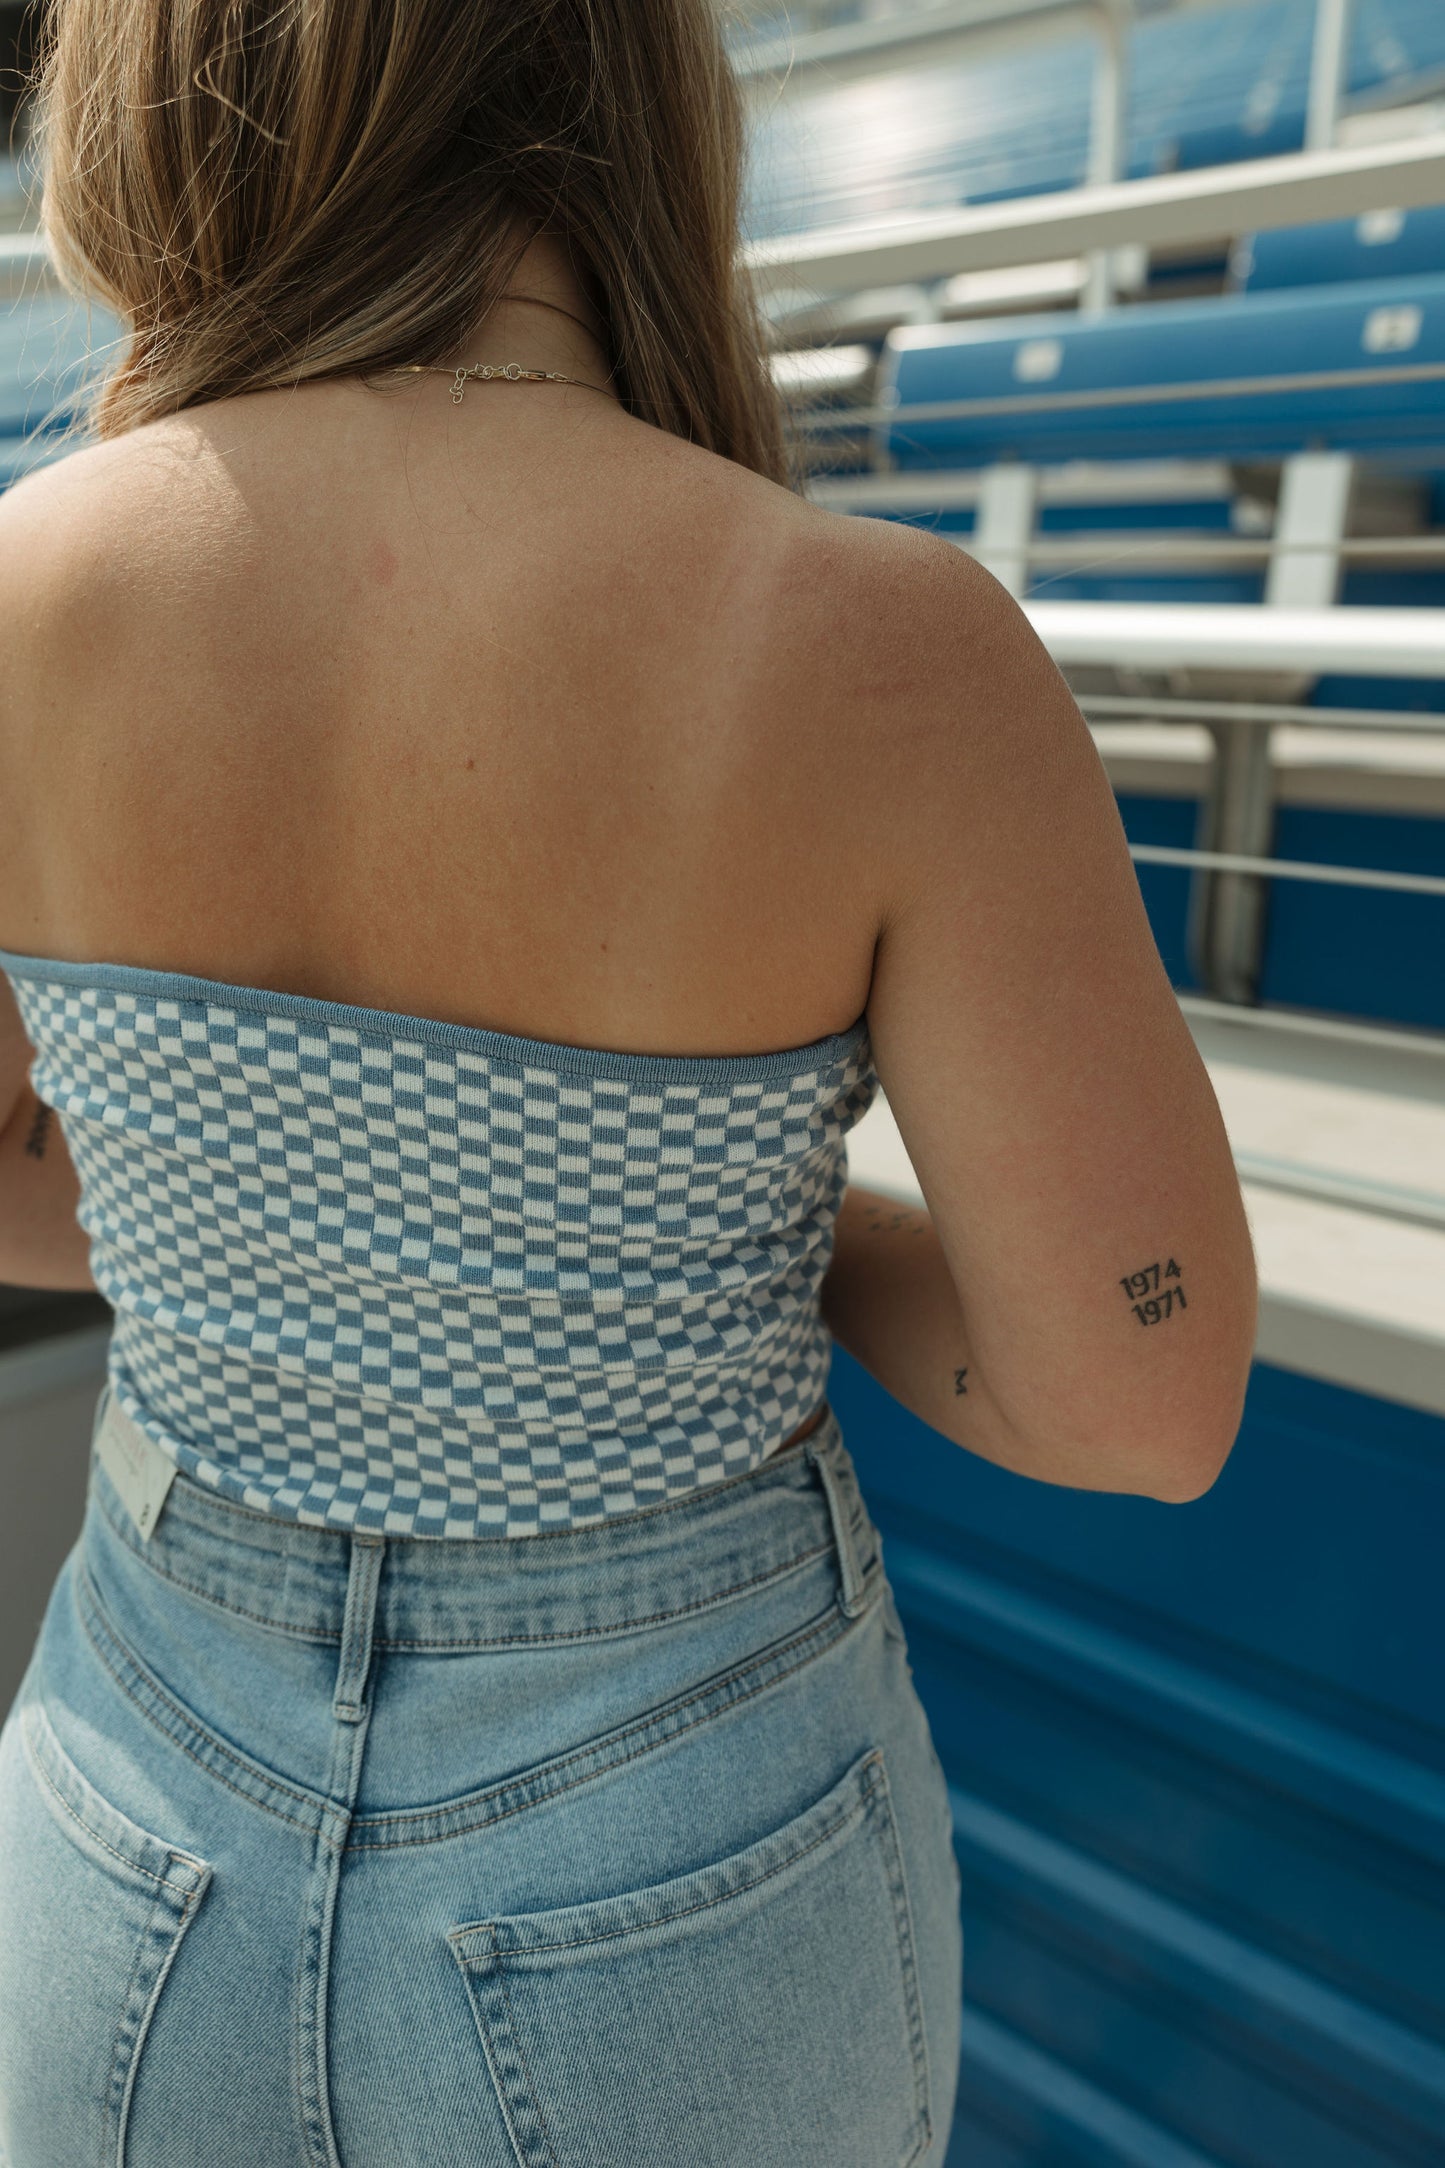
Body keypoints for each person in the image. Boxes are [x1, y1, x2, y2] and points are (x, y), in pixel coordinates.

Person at [0, 2, 1257, 2161]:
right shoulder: (882, 649)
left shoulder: (26, 593)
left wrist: (295, 1217)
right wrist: (702, 1221)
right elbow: (1131, 1396)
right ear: (639, 98)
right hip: (684, 1836)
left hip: (134, 1802)